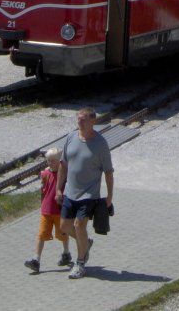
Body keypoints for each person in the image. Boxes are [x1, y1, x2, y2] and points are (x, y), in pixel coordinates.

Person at [56, 108, 114, 279]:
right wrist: (59, 188)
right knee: (64, 227)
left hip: (89, 194)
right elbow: (63, 165)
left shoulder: (100, 144)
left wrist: (109, 196)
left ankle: (80, 263)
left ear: (92, 122)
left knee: (79, 225)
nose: (79, 122)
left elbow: (108, 172)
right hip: (70, 192)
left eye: (83, 119)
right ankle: (85, 243)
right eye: (78, 119)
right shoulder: (71, 138)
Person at [24, 148, 72, 274]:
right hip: (46, 210)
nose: (51, 163)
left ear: (60, 161)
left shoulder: (64, 175)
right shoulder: (45, 174)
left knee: (62, 234)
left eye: (53, 161)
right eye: (48, 161)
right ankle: (36, 259)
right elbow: (43, 190)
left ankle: (66, 253)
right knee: (41, 234)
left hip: (59, 210)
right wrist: (42, 203)